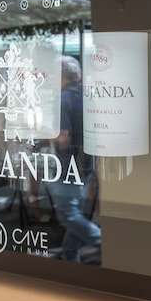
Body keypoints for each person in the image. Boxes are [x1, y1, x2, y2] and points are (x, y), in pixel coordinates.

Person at [48, 55, 101, 263]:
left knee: (68, 214)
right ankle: (70, 256)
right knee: (75, 213)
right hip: (86, 163)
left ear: (60, 74)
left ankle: (106, 242)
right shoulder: (88, 95)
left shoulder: (62, 100)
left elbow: (62, 137)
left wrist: (41, 132)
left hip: (67, 166)